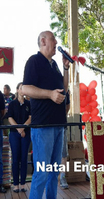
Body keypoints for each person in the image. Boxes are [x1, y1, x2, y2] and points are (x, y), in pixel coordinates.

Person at [22, 31, 69, 198]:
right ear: (43, 41)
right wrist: (50, 94)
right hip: (43, 126)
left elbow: (64, 88)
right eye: (53, 39)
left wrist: (65, 68)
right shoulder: (34, 61)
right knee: (41, 173)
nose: (56, 42)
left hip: (58, 125)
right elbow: (25, 89)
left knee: (53, 172)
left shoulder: (54, 64)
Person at [8, 82, 31, 193]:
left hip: (25, 133)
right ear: (17, 90)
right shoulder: (12, 104)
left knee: (24, 158)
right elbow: (9, 118)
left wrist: (23, 128)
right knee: (15, 158)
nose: (22, 90)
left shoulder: (28, 103)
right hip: (14, 133)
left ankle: (23, 183)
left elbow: (31, 118)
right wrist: (18, 128)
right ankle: (15, 184)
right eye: (21, 88)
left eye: (24, 88)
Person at [60, 90, 70, 189]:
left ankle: (63, 177)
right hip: (49, 125)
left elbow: (68, 106)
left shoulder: (66, 92)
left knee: (63, 154)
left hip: (62, 125)